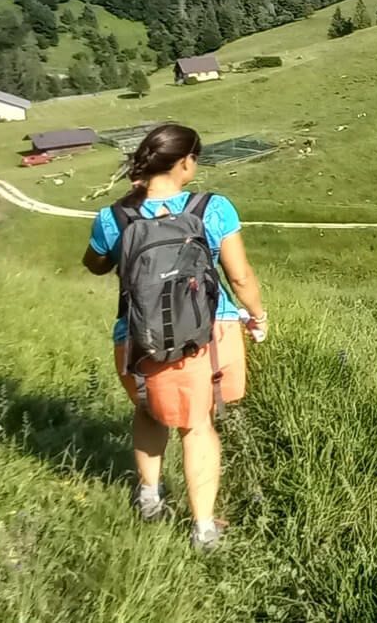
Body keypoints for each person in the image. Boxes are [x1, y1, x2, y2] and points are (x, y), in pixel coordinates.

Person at [81, 123, 267, 550]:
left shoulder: (115, 216)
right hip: (203, 335)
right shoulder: (212, 209)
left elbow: (94, 264)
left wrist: (123, 230)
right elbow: (239, 277)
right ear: (186, 162)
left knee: (148, 411)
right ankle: (203, 528)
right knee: (198, 425)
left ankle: (149, 497)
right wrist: (258, 316)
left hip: (135, 335)